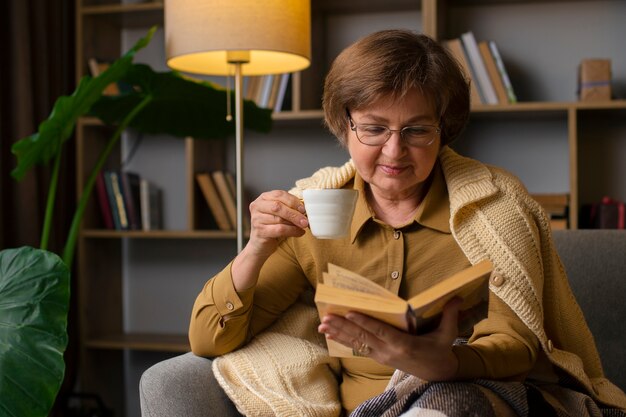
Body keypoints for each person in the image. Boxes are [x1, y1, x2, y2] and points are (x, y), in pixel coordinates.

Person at [140, 29, 626, 417]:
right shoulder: (312, 210)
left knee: (451, 404)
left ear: (443, 129)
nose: (394, 151)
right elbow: (208, 339)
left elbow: (519, 345)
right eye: (374, 129)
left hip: (477, 394)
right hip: (367, 409)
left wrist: (447, 363)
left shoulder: (495, 209)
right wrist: (256, 248)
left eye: (417, 130)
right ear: (343, 125)